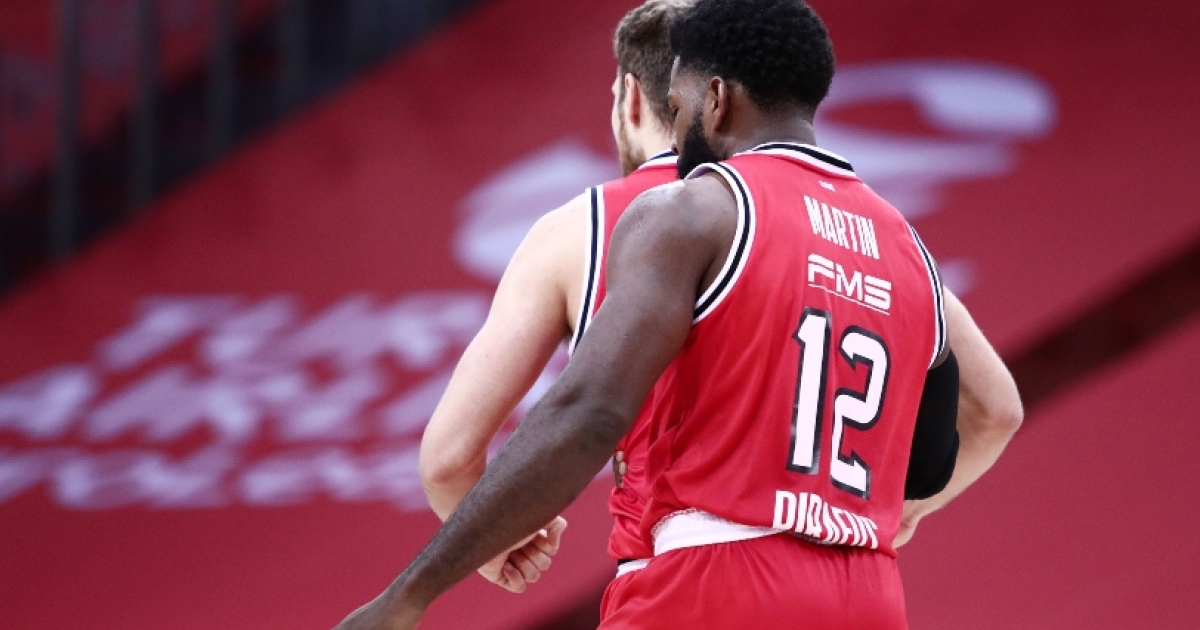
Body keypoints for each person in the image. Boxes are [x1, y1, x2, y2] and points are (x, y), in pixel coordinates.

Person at [334, 0, 1023, 627]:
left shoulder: (689, 210)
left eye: (682, 97)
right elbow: (956, 441)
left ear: (715, 98)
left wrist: (409, 594)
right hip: (868, 591)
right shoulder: (906, 246)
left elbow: (586, 415)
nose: (678, 118)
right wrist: (871, 519)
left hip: (710, 580)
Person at [416, 0, 689, 600]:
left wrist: (494, 542)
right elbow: (912, 465)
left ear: (630, 98)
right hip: (847, 580)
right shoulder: (833, 220)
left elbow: (447, 459)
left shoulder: (579, 230)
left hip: (680, 581)